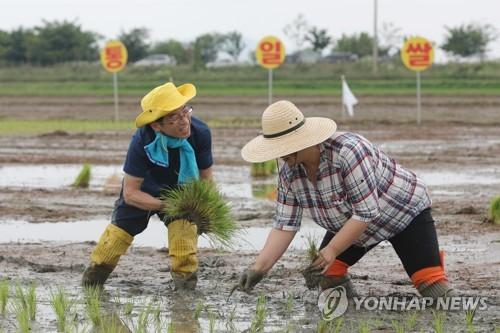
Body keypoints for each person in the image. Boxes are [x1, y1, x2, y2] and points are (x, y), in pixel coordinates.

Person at [238, 100, 454, 299]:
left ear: (302, 139)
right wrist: (259, 268)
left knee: (432, 286)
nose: (280, 155)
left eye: (283, 147)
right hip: (349, 224)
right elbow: (285, 225)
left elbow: (366, 212)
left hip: (402, 213)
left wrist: (331, 250)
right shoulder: (289, 173)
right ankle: (351, 316)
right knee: (326, 274)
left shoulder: (348, 152)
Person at [82, 82, 213, 290]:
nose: (184, 121)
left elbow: (206, 181)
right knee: (112, 244)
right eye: (174, 117)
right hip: (143, 191)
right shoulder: (141, 141)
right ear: (156, 125)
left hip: (182, 190)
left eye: (185, 111)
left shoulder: (200, 133)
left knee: (184, 248)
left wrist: (206, 212)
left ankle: (185, 294)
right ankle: (92, 284)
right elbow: (131, 193)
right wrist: (165, 205)